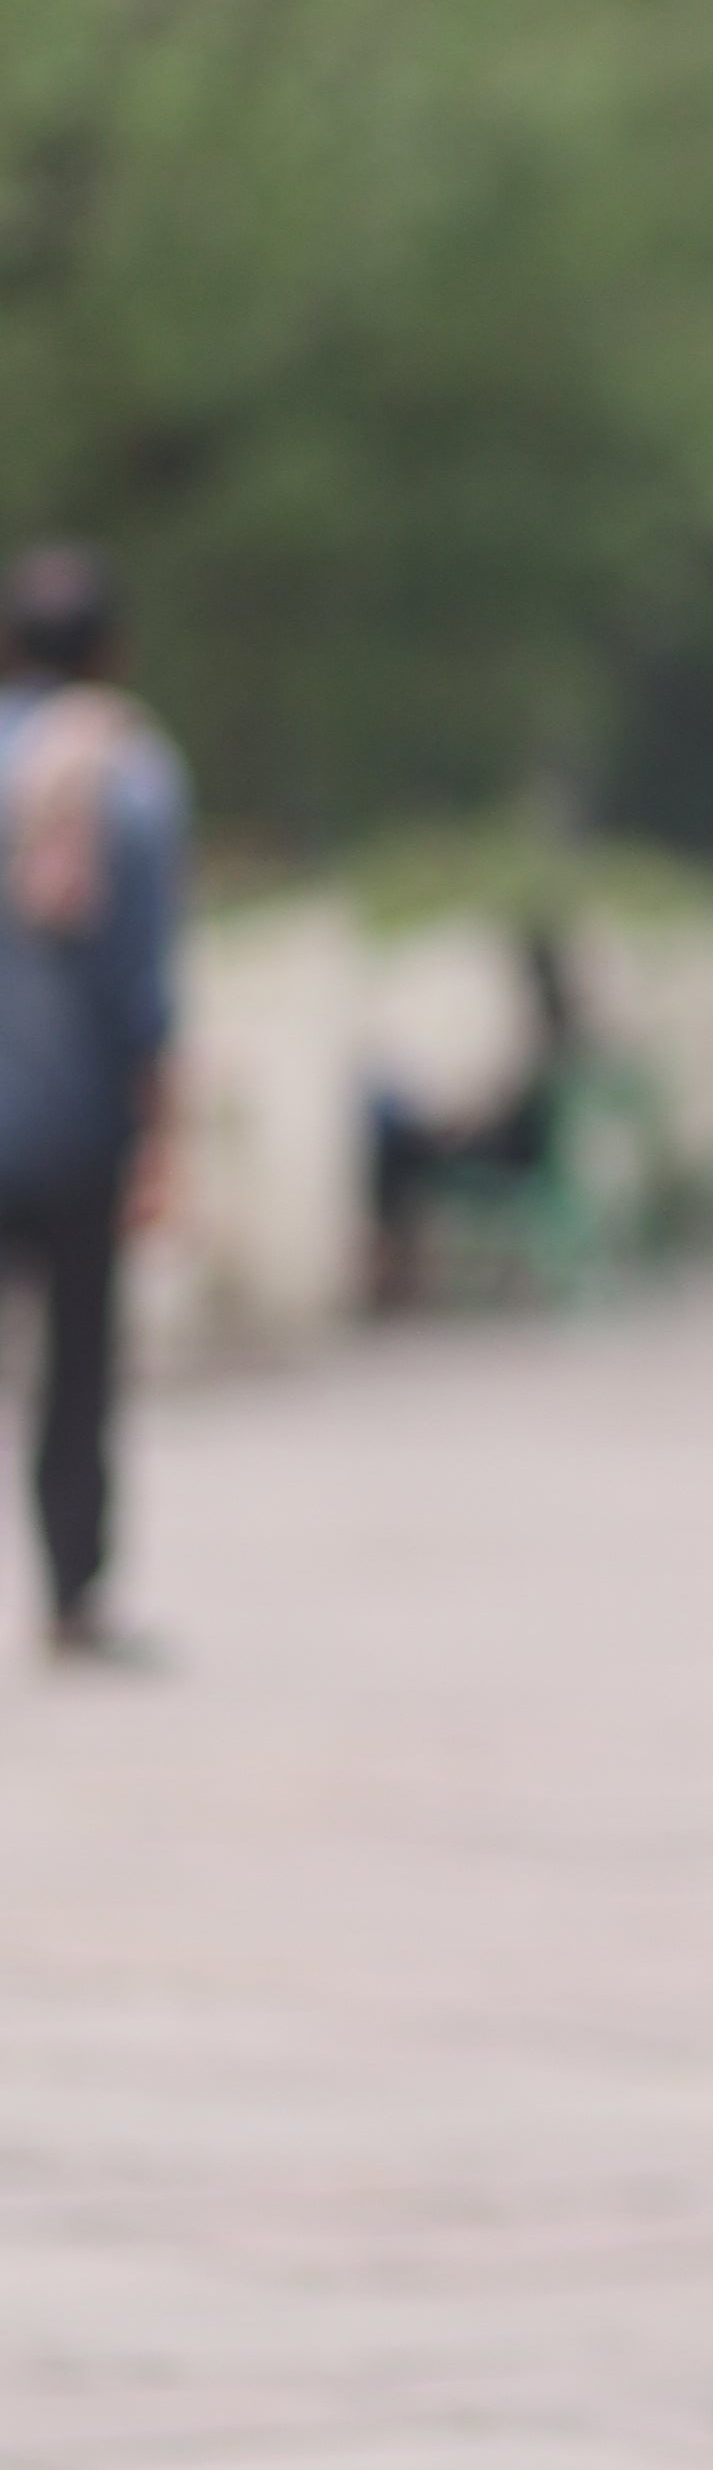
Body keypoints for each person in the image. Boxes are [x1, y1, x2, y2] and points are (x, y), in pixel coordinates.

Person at [0, 544, 187, 1667]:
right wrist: (162, 1134)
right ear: (112, 650)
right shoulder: (134, 772)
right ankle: (73, 1596)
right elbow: (145, 986)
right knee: (76, 1368)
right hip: (75, 1122)